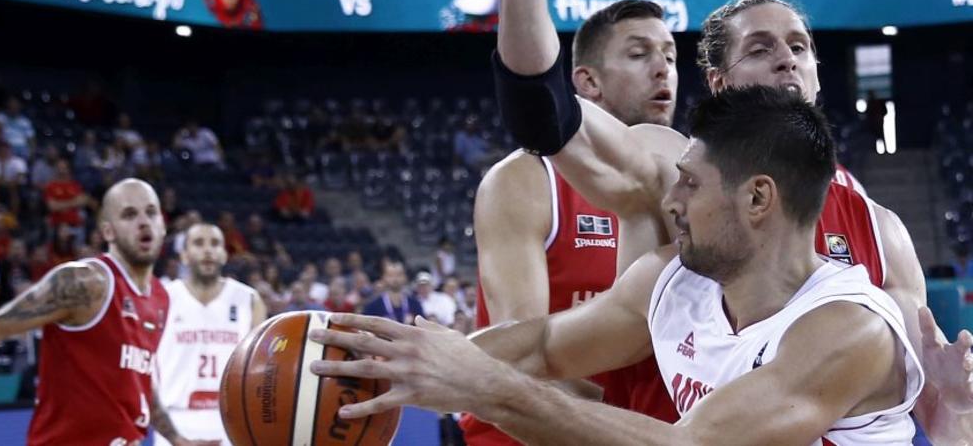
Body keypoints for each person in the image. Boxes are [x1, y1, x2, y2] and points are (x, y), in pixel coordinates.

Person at [437, 0, 972, 443]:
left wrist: (955, 418)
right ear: (718, 86)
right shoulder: (683, 172)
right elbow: (546, 116)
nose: (786, 61)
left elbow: (939, 399)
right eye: (761, 48)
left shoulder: (878, 230)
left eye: (800, 47)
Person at [308, 87, 925, 444]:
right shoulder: (674, 280)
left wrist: (488, 389)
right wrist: (388, 362)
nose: (672, 202)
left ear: (757, 198)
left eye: (689, 184)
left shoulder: (849, 330)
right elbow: (545, 345)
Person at [463, 0, 679, 444]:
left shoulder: (689, 184)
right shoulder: (526, 179)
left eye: (671, 55)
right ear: (588, 82)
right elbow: (520, 360)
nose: (662, 69)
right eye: (639, 54)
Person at [0, 178, 213, 445]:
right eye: (129, 215)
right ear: (108, 231)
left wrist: (177, 439)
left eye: (151, 212)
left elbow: (139, 378)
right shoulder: (86, 282)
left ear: (163, 225)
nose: (144, 222)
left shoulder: (159, 297)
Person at [154, 222, 266, 446]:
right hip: (175, 419)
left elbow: (260, 370)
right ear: (184, 255)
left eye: (215, 243)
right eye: (198, 243)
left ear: (224, 254)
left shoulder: (249, 299)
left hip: (231, 419)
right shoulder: (162, 298)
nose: (208, 250)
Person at [362, 260, 423, 325]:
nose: (395, 279)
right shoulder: (373, 306)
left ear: (405, 277)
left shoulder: (415, 304)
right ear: (383, 277)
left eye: (399, 275)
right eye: (390, 275)